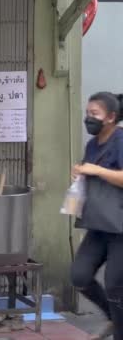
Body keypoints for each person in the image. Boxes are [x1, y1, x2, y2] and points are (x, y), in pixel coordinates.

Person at [71, 92, 123, 340]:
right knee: (79, 276)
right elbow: (90, 171)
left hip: (120, 226)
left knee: (115, 286)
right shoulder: (92, 145)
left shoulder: (121, 140)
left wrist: (97, 170)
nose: (88, 119)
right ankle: (113, 319)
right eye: (87, 113)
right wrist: (80, 173)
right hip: (99, 223)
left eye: (95, 114)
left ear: (111, 117)